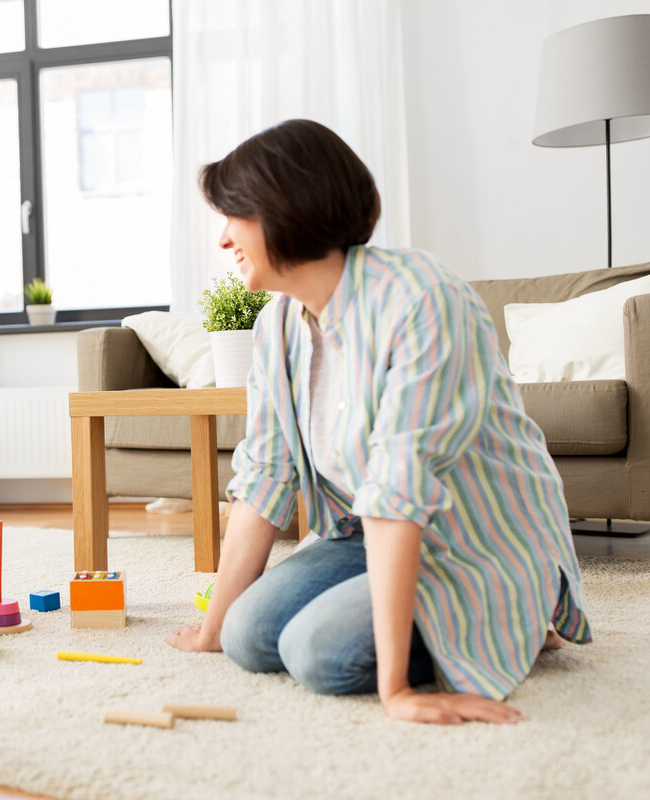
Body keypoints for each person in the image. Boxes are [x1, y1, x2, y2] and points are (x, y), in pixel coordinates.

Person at [165, 119, 591, 725]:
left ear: (287, 208)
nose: (224, 240)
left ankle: (516, 615)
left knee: (318, 654)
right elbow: (265, 478)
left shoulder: (421, 299)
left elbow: (399, 489)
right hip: (366, 536)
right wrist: (211, 631)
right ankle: (439, 621)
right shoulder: (277, 327)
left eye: (235, 216)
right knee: (246, 635)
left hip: (473, 539)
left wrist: (397, 690)